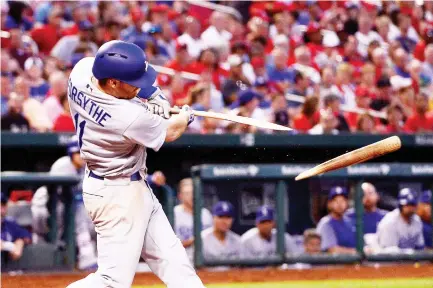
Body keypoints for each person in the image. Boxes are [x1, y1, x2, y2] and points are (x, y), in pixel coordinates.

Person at [66, 40, 204, 288]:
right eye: (133, 83)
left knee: (177, 267)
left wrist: (153, 96)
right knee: (112, 281)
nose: (139, 86)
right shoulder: (127, 117)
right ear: (113, 82)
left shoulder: (82, 71)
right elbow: (171, 132)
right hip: (117, 196)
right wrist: (184, 117)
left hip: (125, 186)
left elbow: (138, 92)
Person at [32, 136, 97, 270]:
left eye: (84, 152)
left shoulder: (88, 167)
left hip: (67, 207)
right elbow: (59, 194)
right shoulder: (62, 165)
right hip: (45, 205)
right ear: (71, 154)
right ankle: (85, 257)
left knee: (88, 215)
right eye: (78, 153)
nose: (82, 156)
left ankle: (88, 257)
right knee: (78, 213)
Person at [174, 178, 213, 262]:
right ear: (180, 196)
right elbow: (166, 245)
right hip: (180, 260)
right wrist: (192, 241)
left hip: (205, 260)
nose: (192, 196)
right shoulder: (173, 214)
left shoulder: (206, 214)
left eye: (194, 193)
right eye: (187, 193)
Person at [316, 186, 357, 254]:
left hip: (353, 263)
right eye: (335, 201)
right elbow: (332, 250)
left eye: (342, 200)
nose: (339, 204)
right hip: (334, 263)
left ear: (347, 203)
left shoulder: (350, 221)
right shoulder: (326, 223)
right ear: (329, 204)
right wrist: (355, 252)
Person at [1, 193, 32, 262]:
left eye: (3, 204)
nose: (2, 208)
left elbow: (26, 237)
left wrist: (19, 242)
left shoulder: (9, 223)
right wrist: (9, 246)